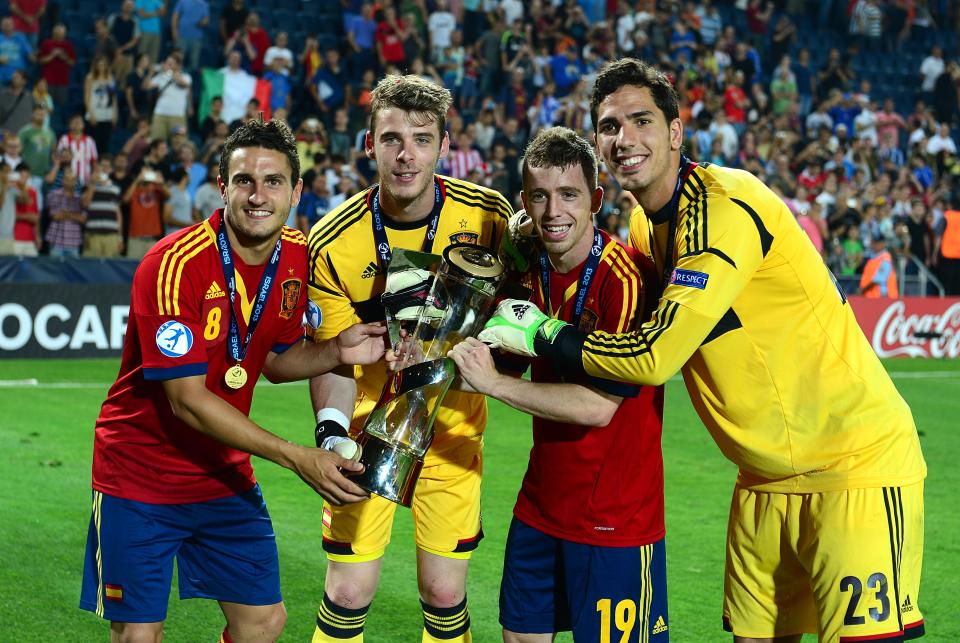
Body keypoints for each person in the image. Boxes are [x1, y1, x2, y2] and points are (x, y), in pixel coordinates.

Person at [480, 59, 927, 643]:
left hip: (853, 466)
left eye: (640, 120)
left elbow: (654, 358)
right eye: (609, 126)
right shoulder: (644, 229)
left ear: (675, 131)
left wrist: (538, 331)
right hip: (763, 481)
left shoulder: (725, 205)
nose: (624, 138)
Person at [78, 118, 387, 642]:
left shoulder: (294, 255)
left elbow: (272, 359)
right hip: (141, 475)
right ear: (222, 187)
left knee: (263, 622)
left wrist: (335, 350)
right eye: (245, 180)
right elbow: (187, 401)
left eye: (273, 181)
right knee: (139, 635)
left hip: (221, 474)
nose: (258, 195)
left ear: (296, 191)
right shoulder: (174, 264)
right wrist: (295, 454)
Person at [305, 74, 511, 642]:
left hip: (453, 433)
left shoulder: (489, 217)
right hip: (368, 431)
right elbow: (333, 360)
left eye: (422, 138)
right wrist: (329, 436)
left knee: (444, 594)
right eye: (391, 138)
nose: (406, 155)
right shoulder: (331, 241)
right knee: (348, 592)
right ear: (369, 144)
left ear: (445, 144)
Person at [447, 126, 669, 643]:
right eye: (540, 196)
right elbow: (506, 358)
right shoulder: (530, 271)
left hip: (616, 518)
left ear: (595, 199)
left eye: (569, 195)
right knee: (520, 636)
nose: (554, 212)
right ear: (524, 202)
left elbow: (598, 407)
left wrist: (492, 385)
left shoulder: (625, 279)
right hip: (542, 504)